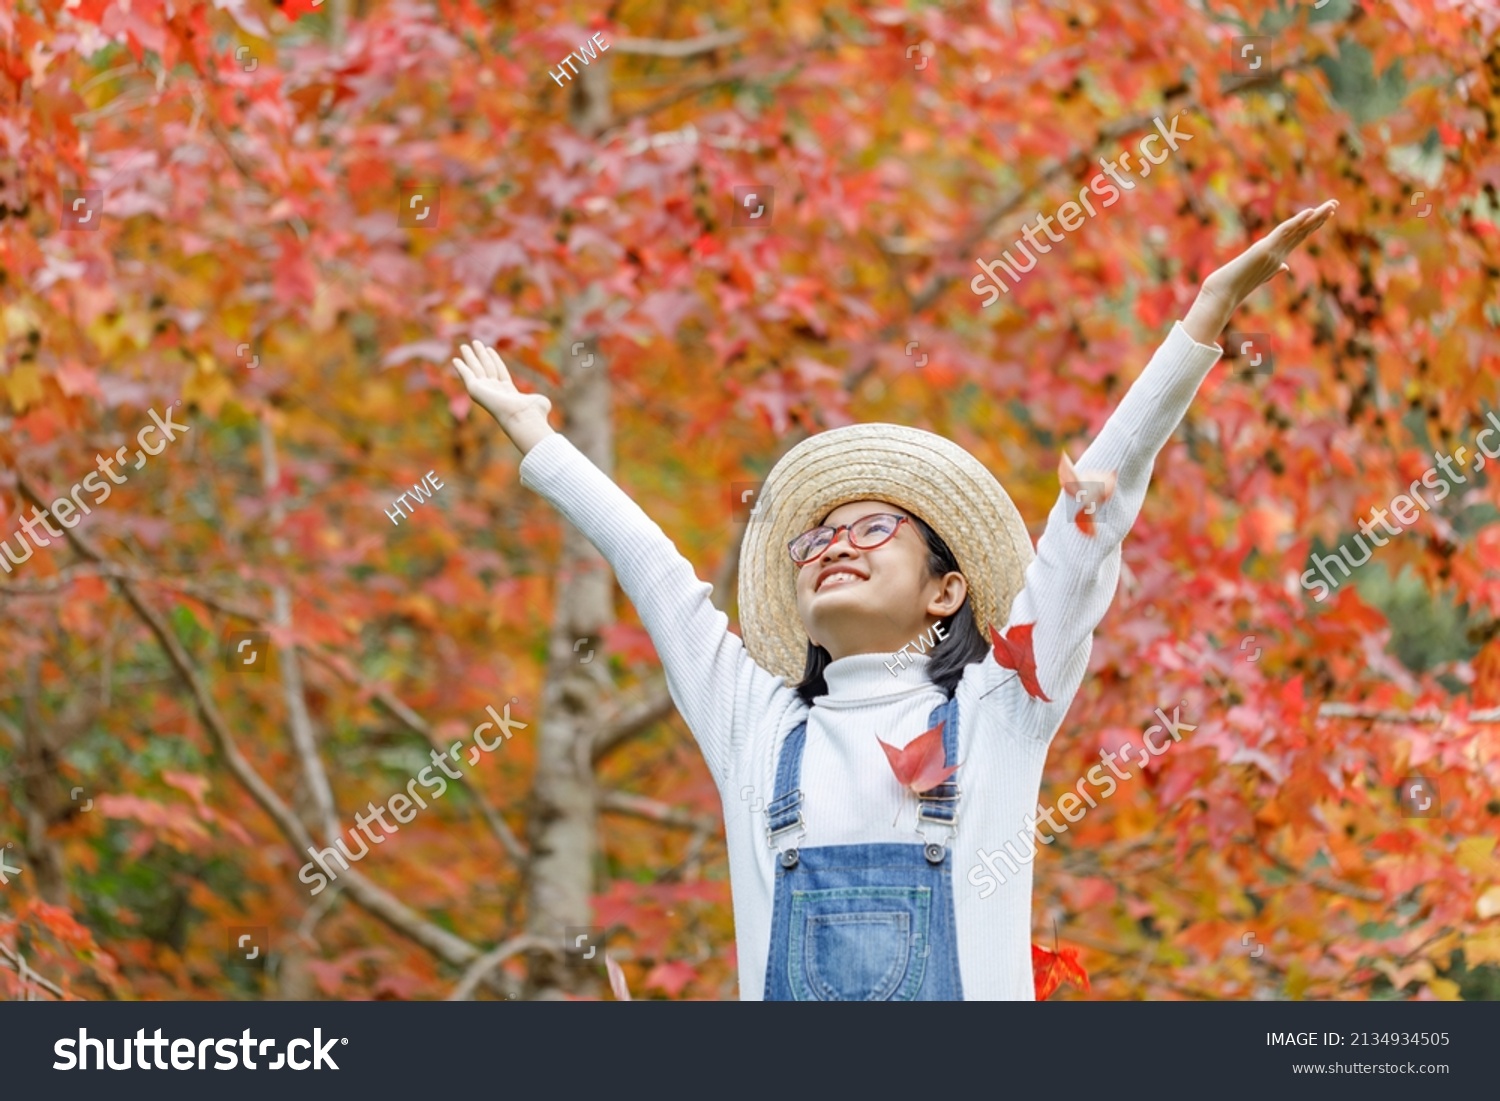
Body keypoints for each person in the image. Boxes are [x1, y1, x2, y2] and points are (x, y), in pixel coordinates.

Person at [451, 200, 1339, 1000]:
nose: (834, 543)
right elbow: (651, 566)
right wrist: (540, 437)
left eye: (872, 529)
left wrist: (1202, 319)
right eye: (816, 537)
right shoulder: (753, 726)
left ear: (946, 590)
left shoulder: (1002, 707)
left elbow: (1090, 516)